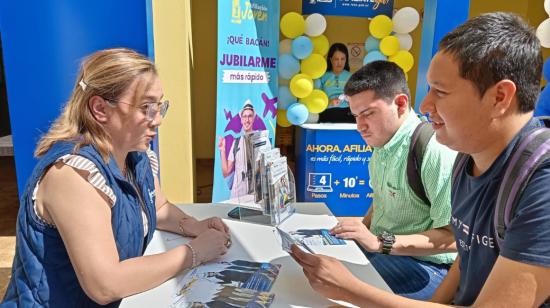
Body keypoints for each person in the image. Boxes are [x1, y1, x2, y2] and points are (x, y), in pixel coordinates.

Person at [291, 12, 550, 307]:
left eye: (440, 91)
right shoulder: (469, 158)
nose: (426, 106)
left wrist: (351, 289)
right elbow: (466, 259)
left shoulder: (540, 182)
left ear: (500, 97)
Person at [2, 48, 232, 307]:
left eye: (159, 106)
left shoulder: (134, 154)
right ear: (100, 108)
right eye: (146, 107)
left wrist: (193, 226)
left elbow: (160, 207)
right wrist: (195, 252)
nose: (157, 120)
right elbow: (105, 284)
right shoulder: (72, 175)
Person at [329, 60, 457, 299]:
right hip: (386, 252)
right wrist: (357, 229)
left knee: (334, 288)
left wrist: (380, 242)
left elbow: (454, 237)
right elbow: (381, 202)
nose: (360, 126)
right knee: (319, 267)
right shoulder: (382, 145)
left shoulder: (434, 151)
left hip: (429, 269)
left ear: (400, 104)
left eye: (368, 114)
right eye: (356, 116)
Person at [218, 101, 258, 199]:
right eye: (244, 116)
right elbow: (226, 172)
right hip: (237, 195)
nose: (247, 120)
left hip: (256, 195)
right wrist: (222, 150)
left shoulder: (261, 139)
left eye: (250, 116)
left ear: (254, 118)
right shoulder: (236, 142)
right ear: (241, 120)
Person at [318, 43, 355, 123]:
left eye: (342, 59)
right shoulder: (323, 76)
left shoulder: (351, 76)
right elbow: (318, 99)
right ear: (330, 59)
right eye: (336, 59)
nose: (340, 62)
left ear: (346, 59)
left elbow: (357, 99)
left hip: (347, 115)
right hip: (327, 115)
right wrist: (330, 102)